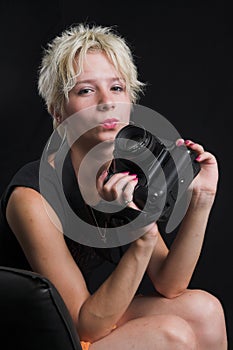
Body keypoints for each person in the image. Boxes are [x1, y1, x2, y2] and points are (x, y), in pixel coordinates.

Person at [0, 23, 228, 349]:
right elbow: (83, 325)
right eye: (86, 90)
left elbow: (170, 283)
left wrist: (202, 199)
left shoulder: (119, 175)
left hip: (82, 321)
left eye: (117, 88)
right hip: (36, 337)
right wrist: (143, 237)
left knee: (205, 310)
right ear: (58, 112)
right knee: (172, 336)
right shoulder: (32, 197)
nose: (107, 102)